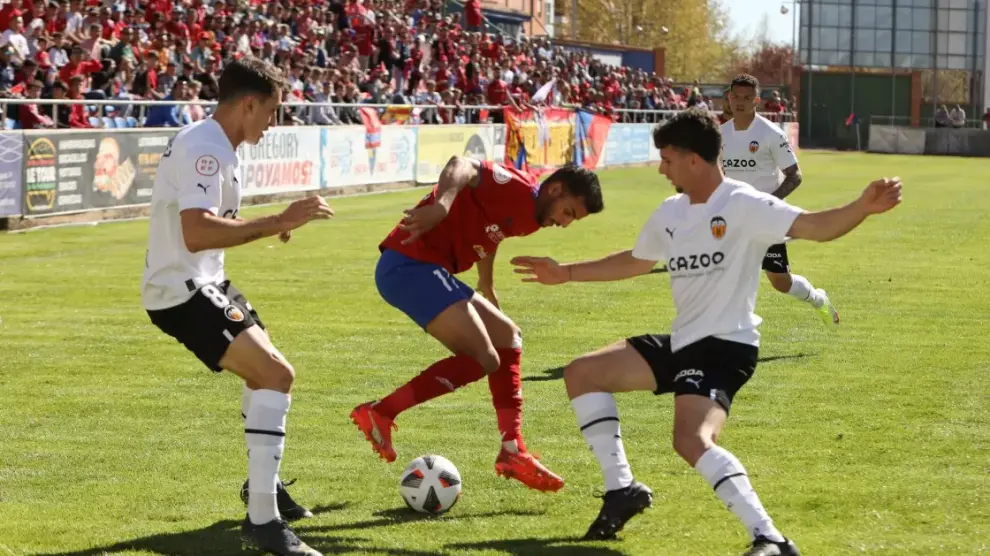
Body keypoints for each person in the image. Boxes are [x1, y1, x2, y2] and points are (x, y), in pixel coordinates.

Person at [511, 107, 901, 555]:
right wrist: (568, 273)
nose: (661, 169)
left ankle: (770, 538)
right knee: (582, 373)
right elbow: (638, 260)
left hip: (725, 346)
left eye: (667, 160)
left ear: (693, 159)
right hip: (685, 342)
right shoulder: (670, 212)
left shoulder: (743, 204)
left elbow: (814, 225)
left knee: (690, 439)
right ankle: (622, 490)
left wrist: (862, 207)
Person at [140, 57, 333, 556]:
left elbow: (214, 218)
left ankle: (261, 489)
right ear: (248, 103)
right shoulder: (206, 148)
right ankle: (263, 521)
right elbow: (197, 230)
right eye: (271, 111)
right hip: (180, 289)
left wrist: (272, 221)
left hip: (207, 281)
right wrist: (274, 221)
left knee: (264, 374)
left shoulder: (216, 143)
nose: (273, 123)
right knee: (276, 374)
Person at [350, 158, 604, 492]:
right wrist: (441, 205)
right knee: (484, 358)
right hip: (409, 265)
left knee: (507, 336)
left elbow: (491, 233)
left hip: (427, 268)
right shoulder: (518, 189)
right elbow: (463, 165)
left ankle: (512, 450)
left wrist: (486, 284)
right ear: (555, 190)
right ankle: (381, 412)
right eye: (568, 212)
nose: (565, 223)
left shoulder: (532, 218)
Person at [721, 74, 838, 328]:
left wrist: (766, 204)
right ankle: (731, 331)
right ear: (729, 98)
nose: (740, 102)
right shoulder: (720, 135)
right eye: (736, 97)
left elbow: (795, 176)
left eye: (747, 97)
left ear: (757, 101)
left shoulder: (770, 134)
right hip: (734, 219)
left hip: (765, 219)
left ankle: (818, 299)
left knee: (780, 282)